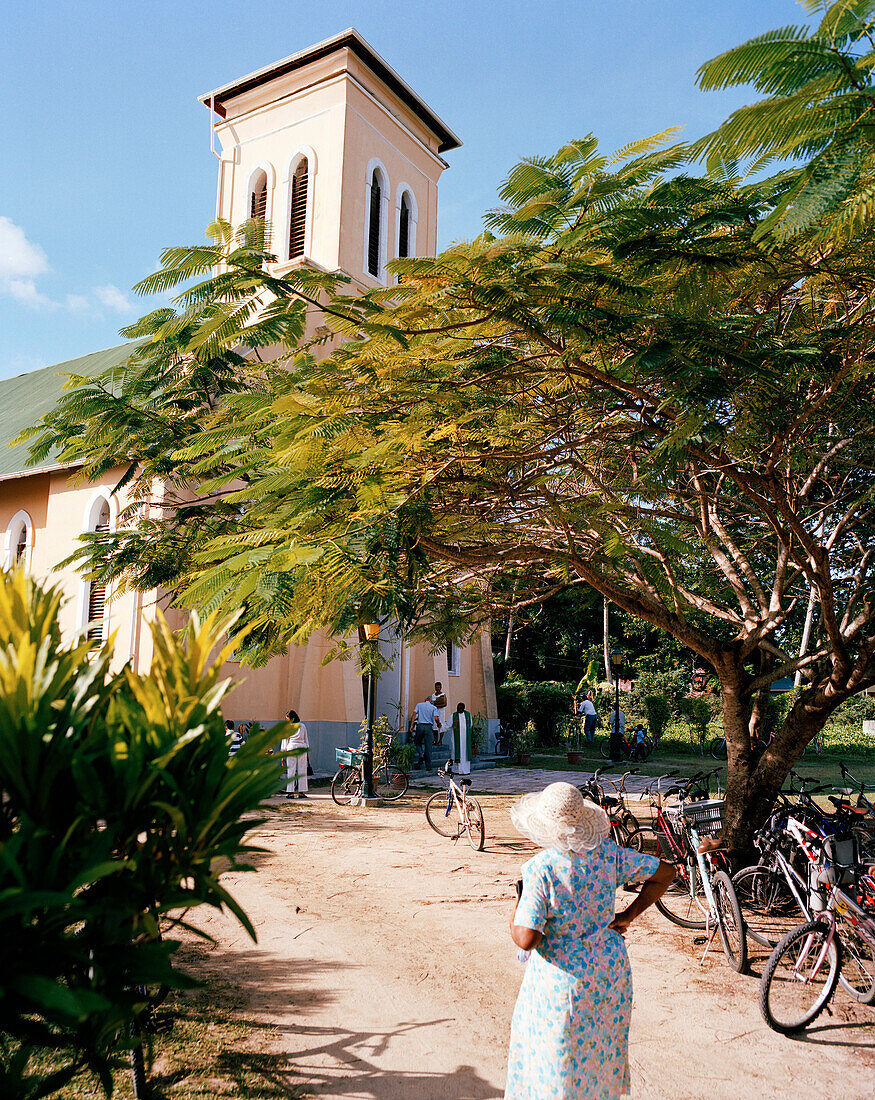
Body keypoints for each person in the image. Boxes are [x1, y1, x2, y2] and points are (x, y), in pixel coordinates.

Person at [506, 783, 673, 1099]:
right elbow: (665, 874)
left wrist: (515, 908)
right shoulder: (609, 856)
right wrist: (628, 915)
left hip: (562, 978)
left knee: (556, 1058)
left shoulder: (541, 870)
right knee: (598, 1048)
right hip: (607, 970)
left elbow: (526, 938)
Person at [282, 709, 310, 799]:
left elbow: (285, 741)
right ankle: (301, 792)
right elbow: (306, 740)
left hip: (291, 747)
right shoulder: (302, 726)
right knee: (302, 770)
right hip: (302, 747)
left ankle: (291, 792)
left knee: (291, 770)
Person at [410, 695, 440, 769]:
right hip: (429, 727)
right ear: (431, 701)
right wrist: (438, 724)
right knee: (428, 747)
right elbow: (436, 718)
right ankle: (428, 766)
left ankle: (421, 754)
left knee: (417, 742)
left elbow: (414, 714)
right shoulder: (433, 707)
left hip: (420, 726)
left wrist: (411, 725)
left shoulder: (419, 705)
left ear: (425, 700)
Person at [451, 701, 472, 774]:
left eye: (460, 708)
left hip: (466, 739)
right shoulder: (454, 715)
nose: (459, 709)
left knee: (465, 754)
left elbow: (471, 724)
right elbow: (448, 724)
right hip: (457, 739)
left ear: (463, 708)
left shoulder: (468, 715)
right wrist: (441, 727)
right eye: (458, 708)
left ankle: (466, 770)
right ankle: (457, 770)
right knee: (457, 752)